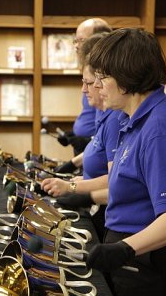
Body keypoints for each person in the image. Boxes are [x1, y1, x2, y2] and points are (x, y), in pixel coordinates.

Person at [85, 27, 166, 296]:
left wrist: (124, 249)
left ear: (127, 77)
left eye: (104, 77)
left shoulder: (160, 128)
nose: (98, 86)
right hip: (136, 263)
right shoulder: (134, 121)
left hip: (154, 270)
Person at [41, 33, 122, 241]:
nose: (84, 89)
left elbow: (118, 181)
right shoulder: (107, 115)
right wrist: (73, 168)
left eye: (89, 82)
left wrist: (75, 188)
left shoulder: (115, 118)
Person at [57, 18, 112, 155]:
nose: (76, 46)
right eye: (75, 41)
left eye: (81, 40)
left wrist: (89, 140)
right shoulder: (89, 72)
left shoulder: (105, 83)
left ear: (99, 40)